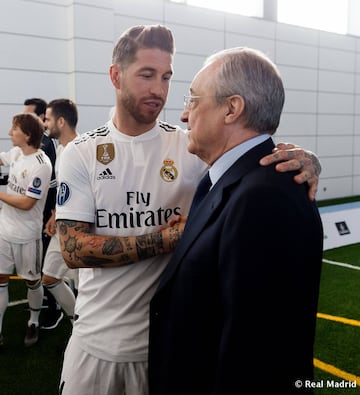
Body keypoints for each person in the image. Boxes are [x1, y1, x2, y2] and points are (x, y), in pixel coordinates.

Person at [56, 25, 321, 395]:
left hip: (164, 345)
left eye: (166, 77)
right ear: (115, 76)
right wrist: (167, 238)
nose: (159, 90)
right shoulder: (81, 152)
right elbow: (71, 249)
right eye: (146, 75)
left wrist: (305, 159)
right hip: (96, 343)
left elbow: (248, 154)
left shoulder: (192, 146)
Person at [148, 47, 324, 395]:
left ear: (232, 108)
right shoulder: (228, 180)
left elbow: (258, 359)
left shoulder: (263, 198)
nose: (184, 114)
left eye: (193, 100)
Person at [0, 113, 52, 347]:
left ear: (28, 135)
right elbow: (2, 159)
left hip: (28, 235)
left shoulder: (41, 165)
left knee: (32, 281)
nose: (10, 132)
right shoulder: (16, 153)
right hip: (4, 230)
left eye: (15, 128)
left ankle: (33, 321)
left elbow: (27, 203)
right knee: (1, 279)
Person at [23, 98, 64, 330]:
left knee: (49, 266)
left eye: (29, 116)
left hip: (46, 214)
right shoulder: (36, 145)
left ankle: (54, 309)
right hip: (40, 214)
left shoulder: (45, 145)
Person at [41, 99, 79, 325]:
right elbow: (65, 190)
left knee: (84, 288)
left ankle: (83, 326)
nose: (45, 124)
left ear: (61, 121)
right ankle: (77, 320)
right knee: (49, 278)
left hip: (76, 231)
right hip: (60, 226)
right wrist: (54, 215)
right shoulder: (62, 149)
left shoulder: (80, 149)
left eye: (48, 119)